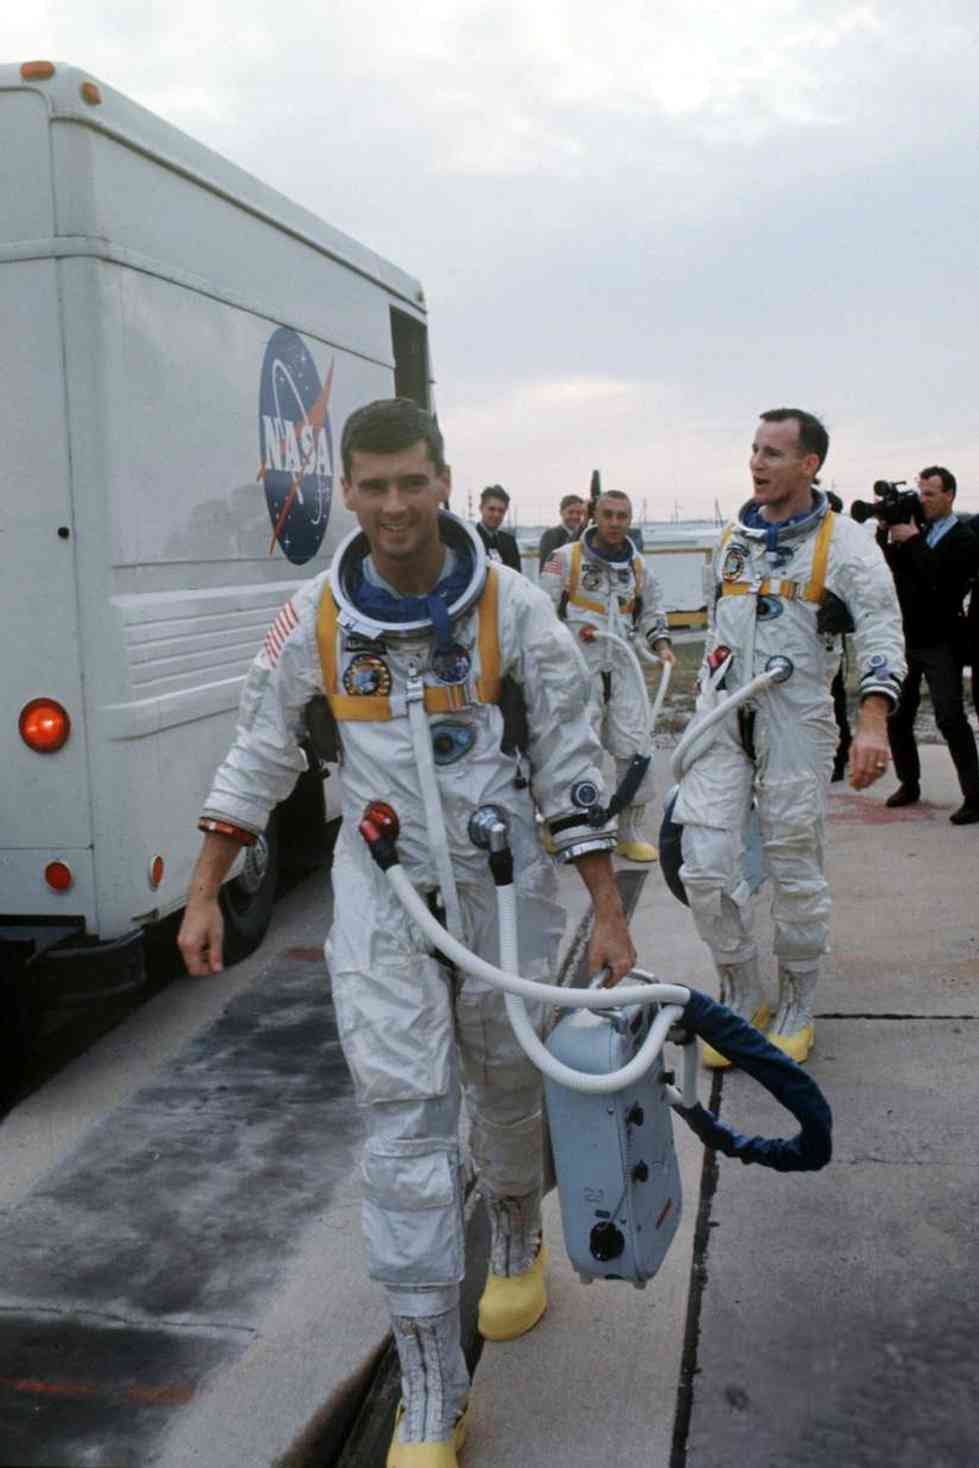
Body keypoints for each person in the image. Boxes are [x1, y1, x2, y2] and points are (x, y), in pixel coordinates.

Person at [177, 399, 635, 1467]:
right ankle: (432, 1384)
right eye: (372, 485)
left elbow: (572, 763)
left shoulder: (513, 611)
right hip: (386, 897)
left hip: (500, 887)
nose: (393, 504)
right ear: (346, 488)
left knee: (507, 1090)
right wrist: (205, 888)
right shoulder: (314, 620)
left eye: (411, 482)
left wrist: (607, 910)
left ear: (442, 480)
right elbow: (256, 758)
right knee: (403, 1130)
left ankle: (517, 1228)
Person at [673, 409, 904, 1066]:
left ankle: (796, 1002)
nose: (756, 463)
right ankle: (742, 994)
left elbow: (883, 633)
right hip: (721, 717)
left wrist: (871, 718)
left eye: (773, 453)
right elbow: (717, 623)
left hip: (795, 719)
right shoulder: (732, 537)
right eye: (753, 450)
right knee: (704, 868)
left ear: (809, 465)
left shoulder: (846, 544)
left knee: (795, 871)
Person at [540, 489, 676, 863]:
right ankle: (563, 822)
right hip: (577, 665)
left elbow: (652, 610)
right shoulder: (564, 559)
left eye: (623, 516)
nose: (616, 523)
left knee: (636, 744)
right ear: (594, 516)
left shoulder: (637, 567)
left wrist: (660, 643)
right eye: (609, 515)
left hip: (622, 662)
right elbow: (540, 615)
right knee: (573, 746)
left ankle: (629, 830)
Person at [878, 467, 979, 824]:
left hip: (942, 641)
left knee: (950, 717)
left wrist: (914, 540)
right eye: (920, 492)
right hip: (907, 637)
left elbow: (941, 584)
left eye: (930, 494)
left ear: (949, 495)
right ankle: (909, 784)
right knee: (898, 716)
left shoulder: (965, 538)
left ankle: (975, 796)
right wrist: (886, 531)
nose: (923, 500)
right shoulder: (915, 532)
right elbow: (896, 570)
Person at [474, 483, 522, 572]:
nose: (496, 514)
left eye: (501, 511)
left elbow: (518, 577)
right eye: (491, 509)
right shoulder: (471, 540)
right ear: (481, 508)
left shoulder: (510, 542)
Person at [537, 493, 585, 570]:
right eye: (571, 512)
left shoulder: (585, 535)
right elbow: (547, 567)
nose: (575, 516)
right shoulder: (550, 535)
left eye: (579, 513)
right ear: (561, 513)